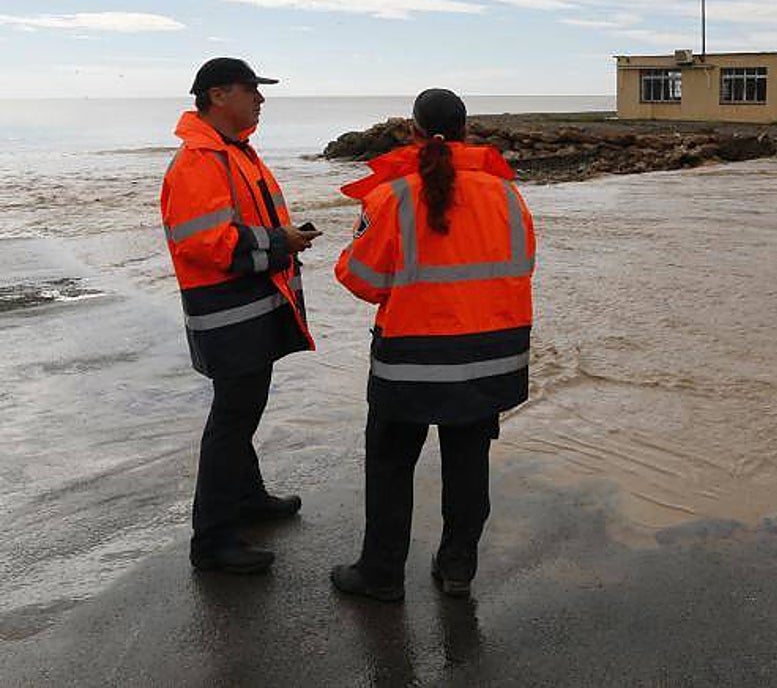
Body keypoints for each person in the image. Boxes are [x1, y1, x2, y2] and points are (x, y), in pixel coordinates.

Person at [331, 88, 536, 603]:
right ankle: (458, 568)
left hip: (412, 360)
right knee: (468, 465)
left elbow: (361, 278)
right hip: (490, 357)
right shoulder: (507, 194)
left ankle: (381, 575)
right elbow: (521, 265)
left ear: (414, 133)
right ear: (467, 131)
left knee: (390, 466)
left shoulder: (393, 195)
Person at [160, 57, 321, 574]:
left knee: (242, 410)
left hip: (248, 309)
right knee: (232, 419)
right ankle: (212, 540)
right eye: (251, 88)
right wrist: (282, 242)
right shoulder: (200, 161)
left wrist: (281, 239)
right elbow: (206, 242)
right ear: (217, 96)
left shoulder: (232, 153)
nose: (260, 98)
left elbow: (237, 229)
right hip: (227, 314)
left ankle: (248, 498)